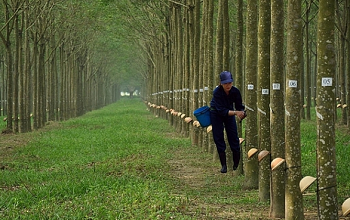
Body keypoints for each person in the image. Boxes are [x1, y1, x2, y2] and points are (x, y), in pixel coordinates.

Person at [210, 71, 246, 173]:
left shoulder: (235, 92)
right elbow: (221, 110)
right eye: (225, 83)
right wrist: (236, 112)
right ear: (221, 83)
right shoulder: (217, 92)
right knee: (218, 137)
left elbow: (239, 106)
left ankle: (236, 163)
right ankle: (224, 165)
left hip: (229, 113)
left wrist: (242, 113)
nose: (228, 85)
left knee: (233, 136)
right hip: (216, 113)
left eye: (230, 83)